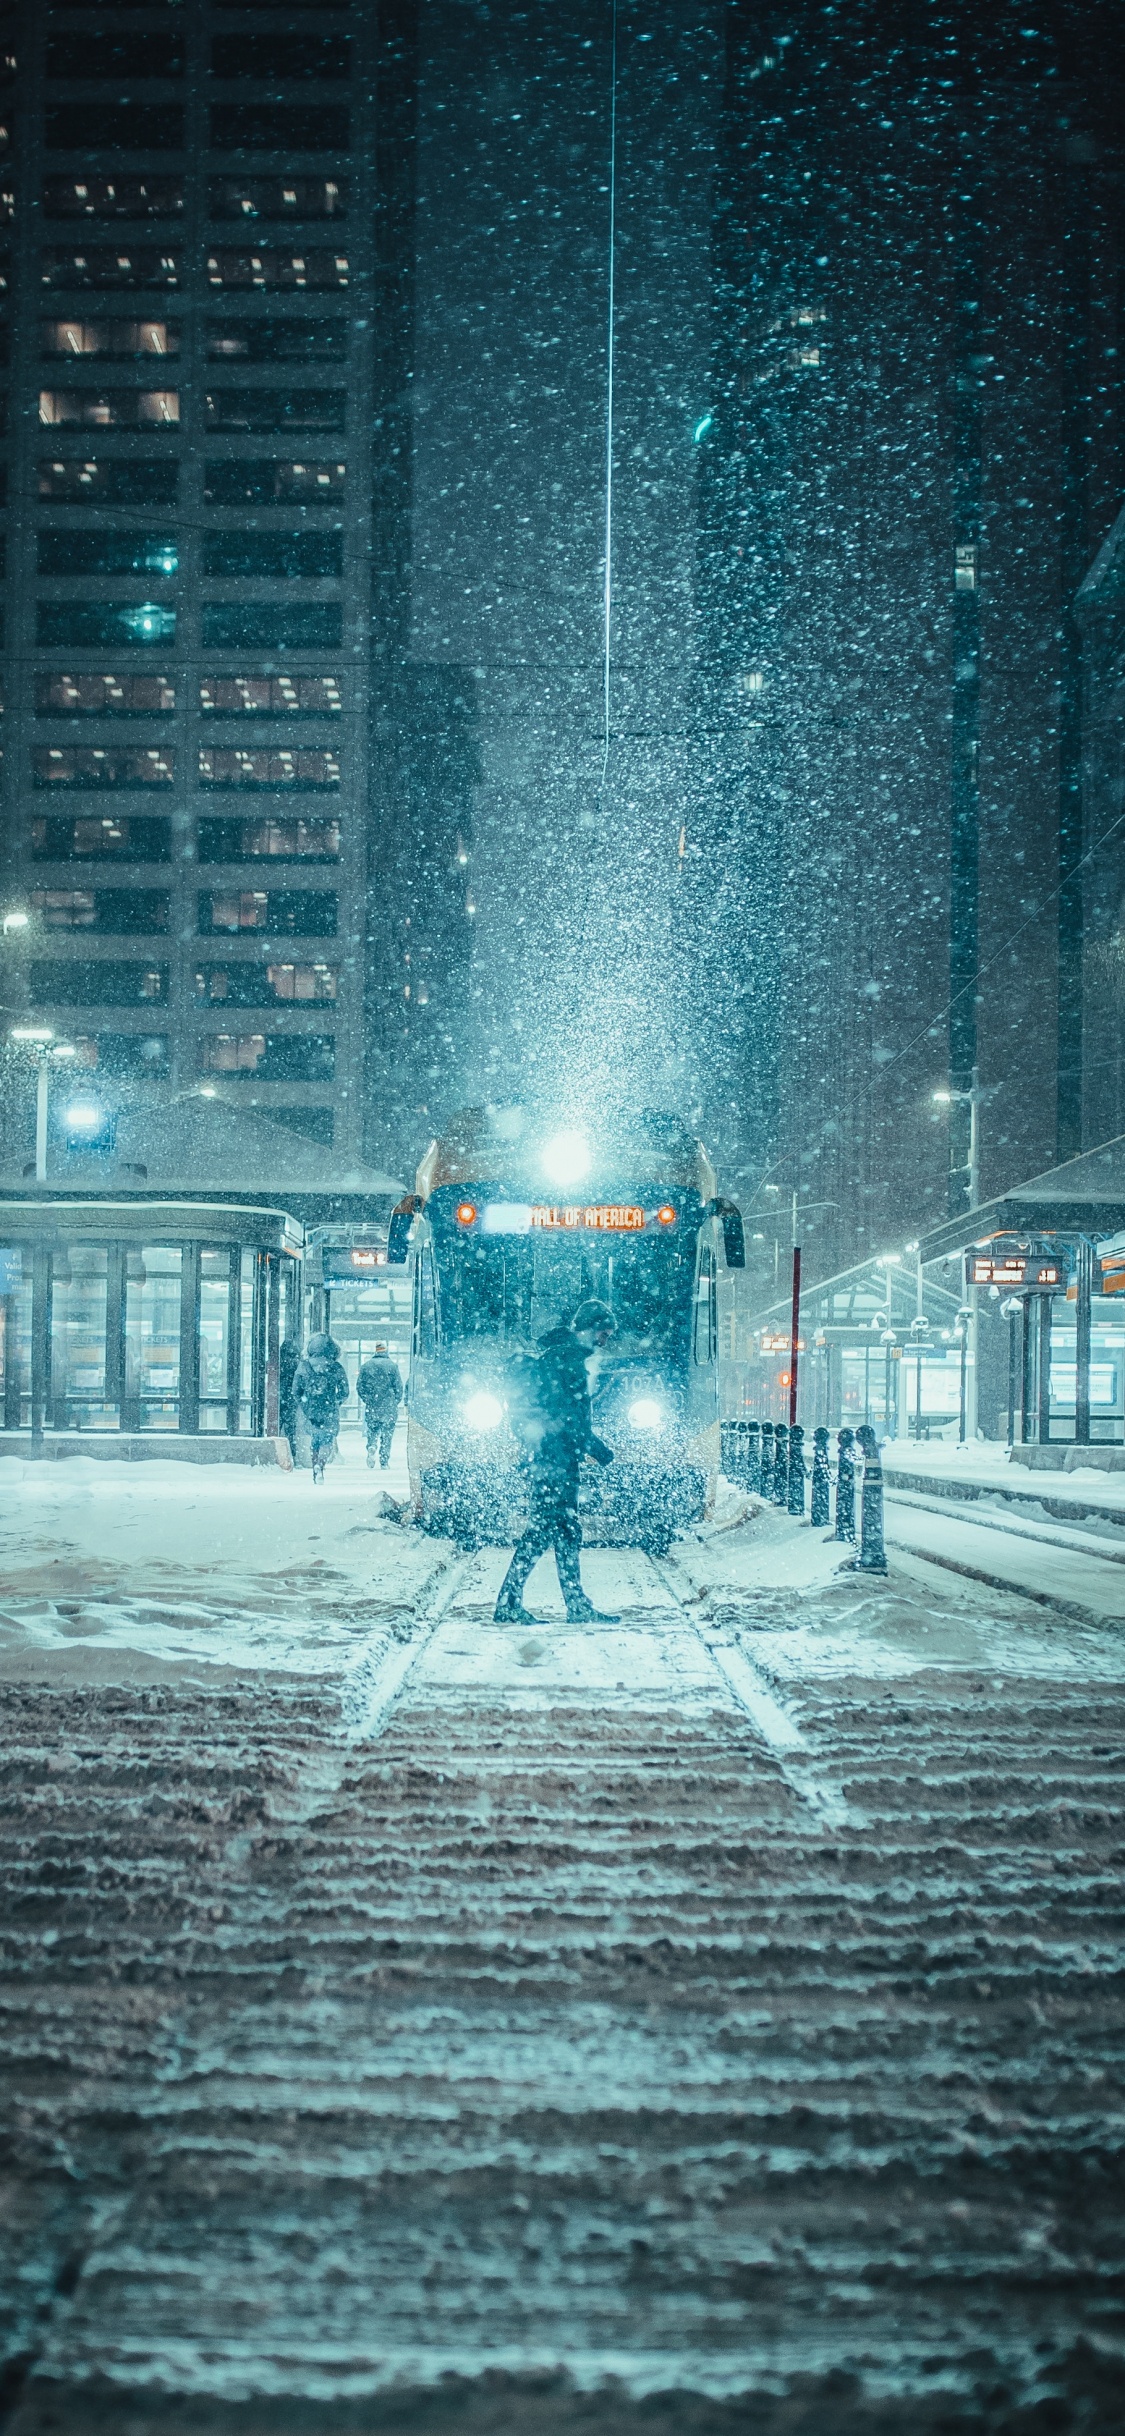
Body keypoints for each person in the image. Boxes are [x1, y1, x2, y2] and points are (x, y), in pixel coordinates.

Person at [494, 1298, 621, 1627]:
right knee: (545, 1531)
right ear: (590, 1328)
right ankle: (512, 1603)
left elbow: (563, 1416)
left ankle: (571, 1604)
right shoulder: (567, 1361)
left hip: (551, 1458)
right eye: (603, 1334)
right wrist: (600, 1451)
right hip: (556, 1460)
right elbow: (569, 1419)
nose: (604, 1342)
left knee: (563, 1531)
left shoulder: (560, 1356)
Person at [292, 1331, 349, 1483]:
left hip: (311, 1409)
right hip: (329, 1409)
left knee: (315, 1440)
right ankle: (321, 1465)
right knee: (327, 1439)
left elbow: (296, 1391)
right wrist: (336, 1402)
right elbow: (344, 1391)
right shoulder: (336, 1367)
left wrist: (305, 1404)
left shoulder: (303, 1366)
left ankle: (315, 1468)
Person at [356, 1341, 403, 1470]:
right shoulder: (392, 1366)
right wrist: (394, 1401)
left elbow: (360, 1387)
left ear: (376, 1351)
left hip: (372, 1405)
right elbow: (398, 1387)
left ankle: (371, 1445)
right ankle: (384, 1461)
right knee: (387, 1435)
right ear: (385, 1351)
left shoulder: (366, 1366)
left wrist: (367, 1399)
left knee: (372, 1430)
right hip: (388, 1406)